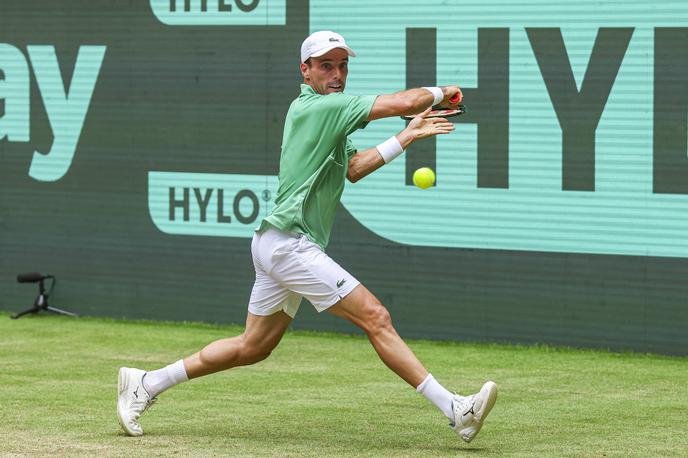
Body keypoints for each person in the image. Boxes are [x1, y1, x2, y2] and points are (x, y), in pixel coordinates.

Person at [117, 30, 497, 443]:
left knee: (253, 347)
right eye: (326, 65)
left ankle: (146, 383)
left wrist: (405, 137)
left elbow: (352, 169)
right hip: (289, 245)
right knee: (376, 317)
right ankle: (456, 409)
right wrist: (444, 92)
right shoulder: (322, 108)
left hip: (274, 244)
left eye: (342, 65)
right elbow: (404, 103)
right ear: (306, 70)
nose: (337, 74)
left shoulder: (326, 113)